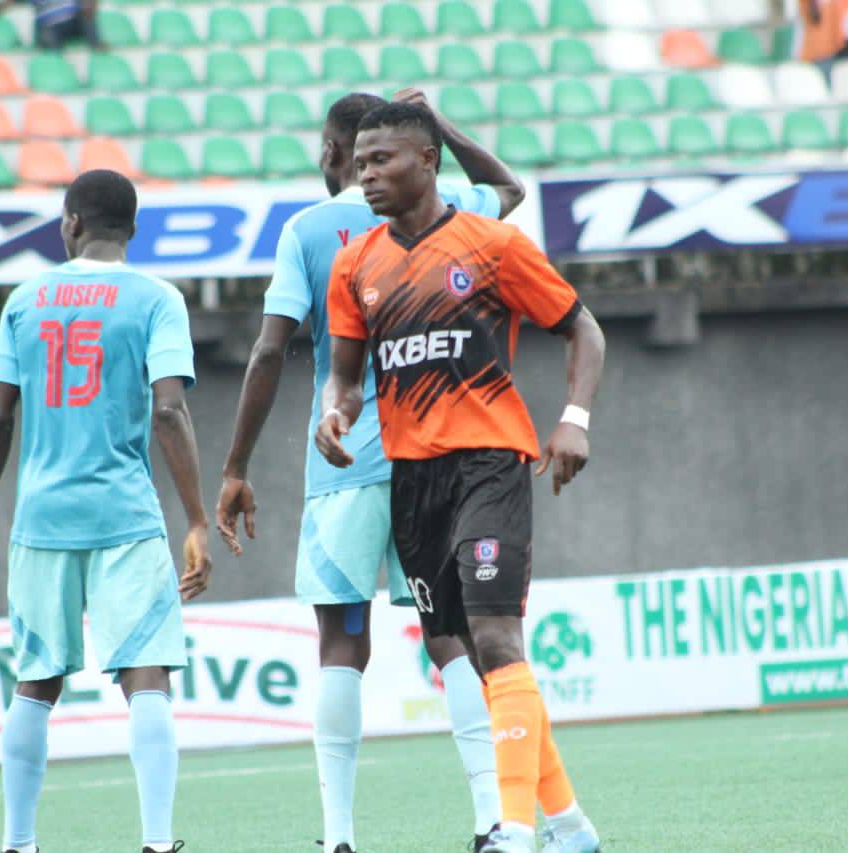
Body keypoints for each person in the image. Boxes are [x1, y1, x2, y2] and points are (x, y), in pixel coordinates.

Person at [215, 89, 524, 853]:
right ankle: (492, 821)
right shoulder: (441, 200)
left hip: (345, 466)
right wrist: (442, 126)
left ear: (335, 151)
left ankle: (338, 839)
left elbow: (266, 350)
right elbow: (511, 191)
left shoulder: (309, 230)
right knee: (449, 633)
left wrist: (236, 465)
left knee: (341, 641)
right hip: (436, 462)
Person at [316, 103, 606, 853]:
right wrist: (334, 412)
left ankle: (511, 831)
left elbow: (583, 328)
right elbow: (346, 378)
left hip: (490, 463)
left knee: (496, 635)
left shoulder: (493, 245)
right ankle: (570, 826)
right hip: (412, 483)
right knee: (475, 656)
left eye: (382, 160)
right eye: (360, 162)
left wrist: (574, 416)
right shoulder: (357, 265)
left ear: (427, 159)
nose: (365, 173)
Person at [0, 169, 208, 853]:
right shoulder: (157, 298)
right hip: (125, 515)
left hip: (41, 517)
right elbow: (168, 409)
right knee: (146, 674)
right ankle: (158, 841)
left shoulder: (25, 298)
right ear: (132, 229)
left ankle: (18, 841)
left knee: (35, 680)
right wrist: (195, 517)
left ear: (70, 223)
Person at [0, 0, 102, 51]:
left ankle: (98, 47)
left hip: (72, 22)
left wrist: (91, 5)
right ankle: (55, 61)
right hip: (50, 26)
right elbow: (8, 4)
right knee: (48, 34)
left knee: (86, 17)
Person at [795, 0, 848, 77]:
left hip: (808, 54)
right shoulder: (831, 3)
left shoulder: (805, 3)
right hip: (826, 53)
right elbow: (838, 31)